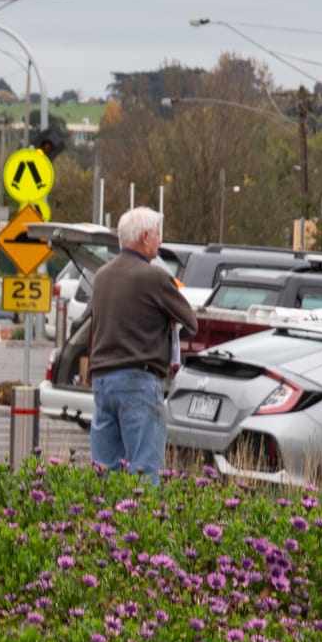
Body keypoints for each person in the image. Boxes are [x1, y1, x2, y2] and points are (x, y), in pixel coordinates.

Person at [88, 205, 197, 482]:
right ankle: (142, 523)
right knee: (145, 472)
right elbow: (190, 321)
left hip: (102, 381)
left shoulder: (101, 276)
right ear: (145, 237)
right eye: (158, 235)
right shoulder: (155, 277)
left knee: (104, 473)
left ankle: (102, 522)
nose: (160, 242)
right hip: (138, 381)